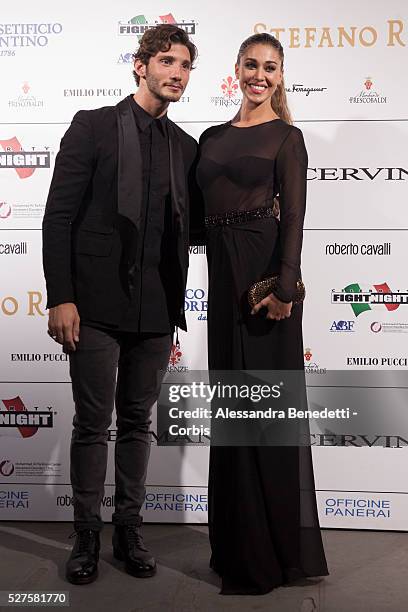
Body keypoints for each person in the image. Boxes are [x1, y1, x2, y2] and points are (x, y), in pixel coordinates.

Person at [42, 24, 198, 585]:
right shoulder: (94, 126)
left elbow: (195, 227)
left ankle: (129, 528)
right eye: (166, 61)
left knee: (137, 424)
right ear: (140, 65)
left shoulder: (186, 146)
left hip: (156, 310)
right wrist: (61, 296)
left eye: (185, 65)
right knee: (91, 423)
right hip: (95, 305)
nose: (176, 73)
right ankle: (86, 534)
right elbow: (58, 216)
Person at [196, 33, 329, 594]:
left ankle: (274, 554)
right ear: (236, 70)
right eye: (251, 65)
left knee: (268, 418)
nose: (259, 74)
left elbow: (295, 217)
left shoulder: (288, 138)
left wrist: (286, 288)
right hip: (223, 285)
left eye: (270, 67)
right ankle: (236, 544)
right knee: (232, 413)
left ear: (280, 75)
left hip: (265, 283)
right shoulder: (211, 136)